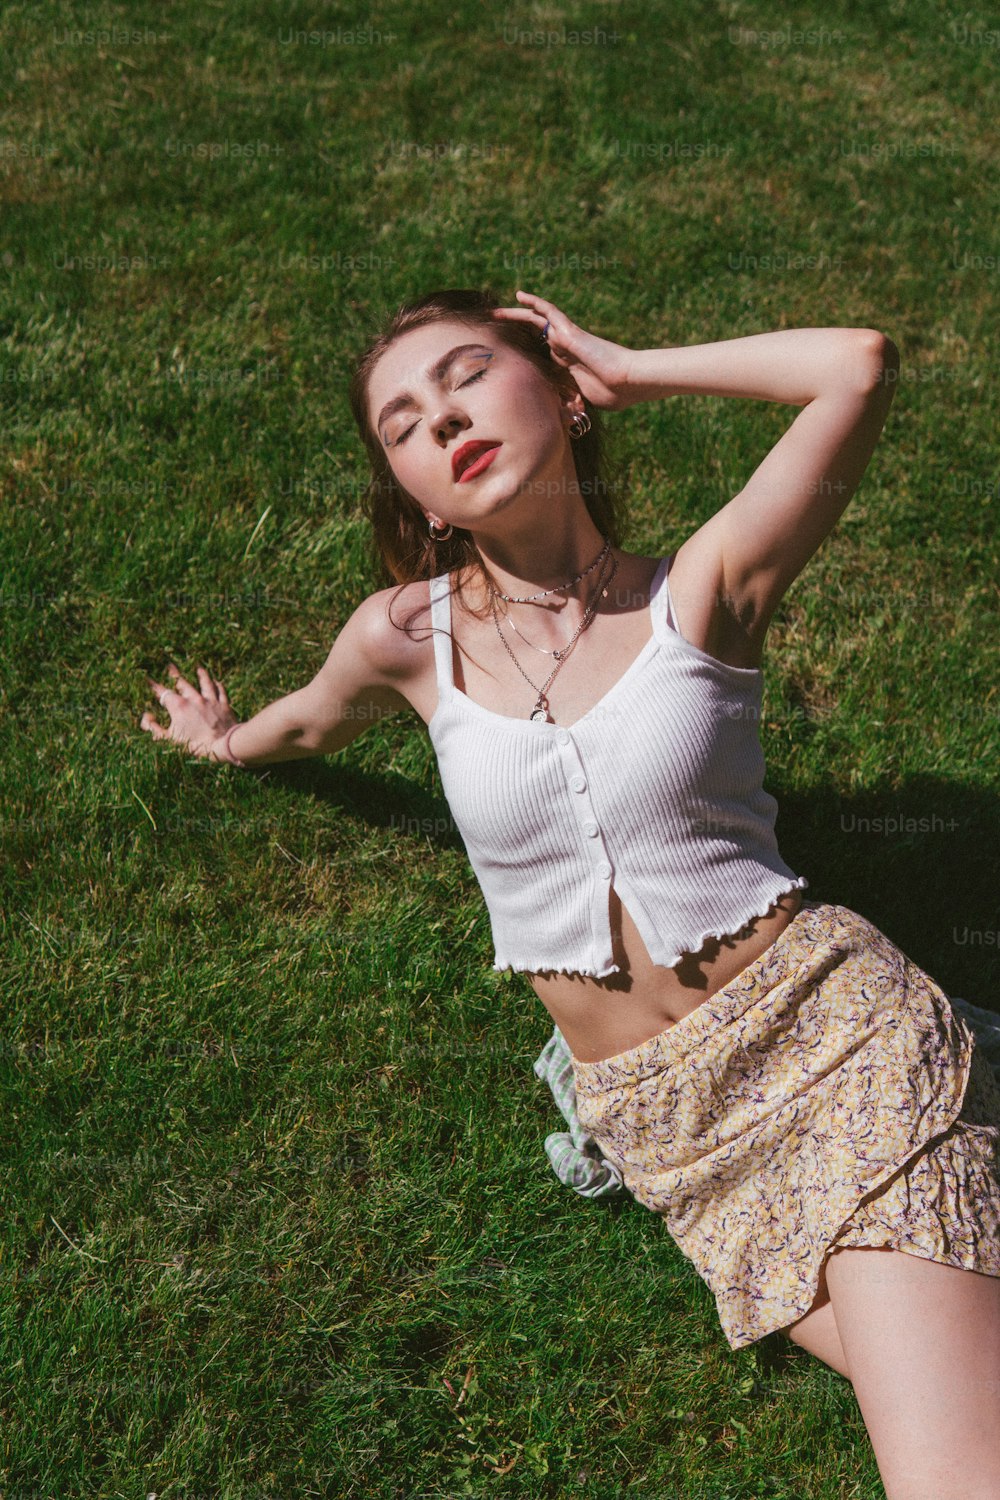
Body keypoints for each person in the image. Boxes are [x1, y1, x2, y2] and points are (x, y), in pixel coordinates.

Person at [140, 287, 1000, 1497]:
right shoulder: (403, 638)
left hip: (834, 1048)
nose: (441, 422)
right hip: (667, 1127)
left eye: (468, 377)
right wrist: (226, 744)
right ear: (410, 493)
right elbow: (311, 721)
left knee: (951, 1467)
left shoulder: (701, 587)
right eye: (401, 425)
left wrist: (637, 364)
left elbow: (855, 365)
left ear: (559, 393)